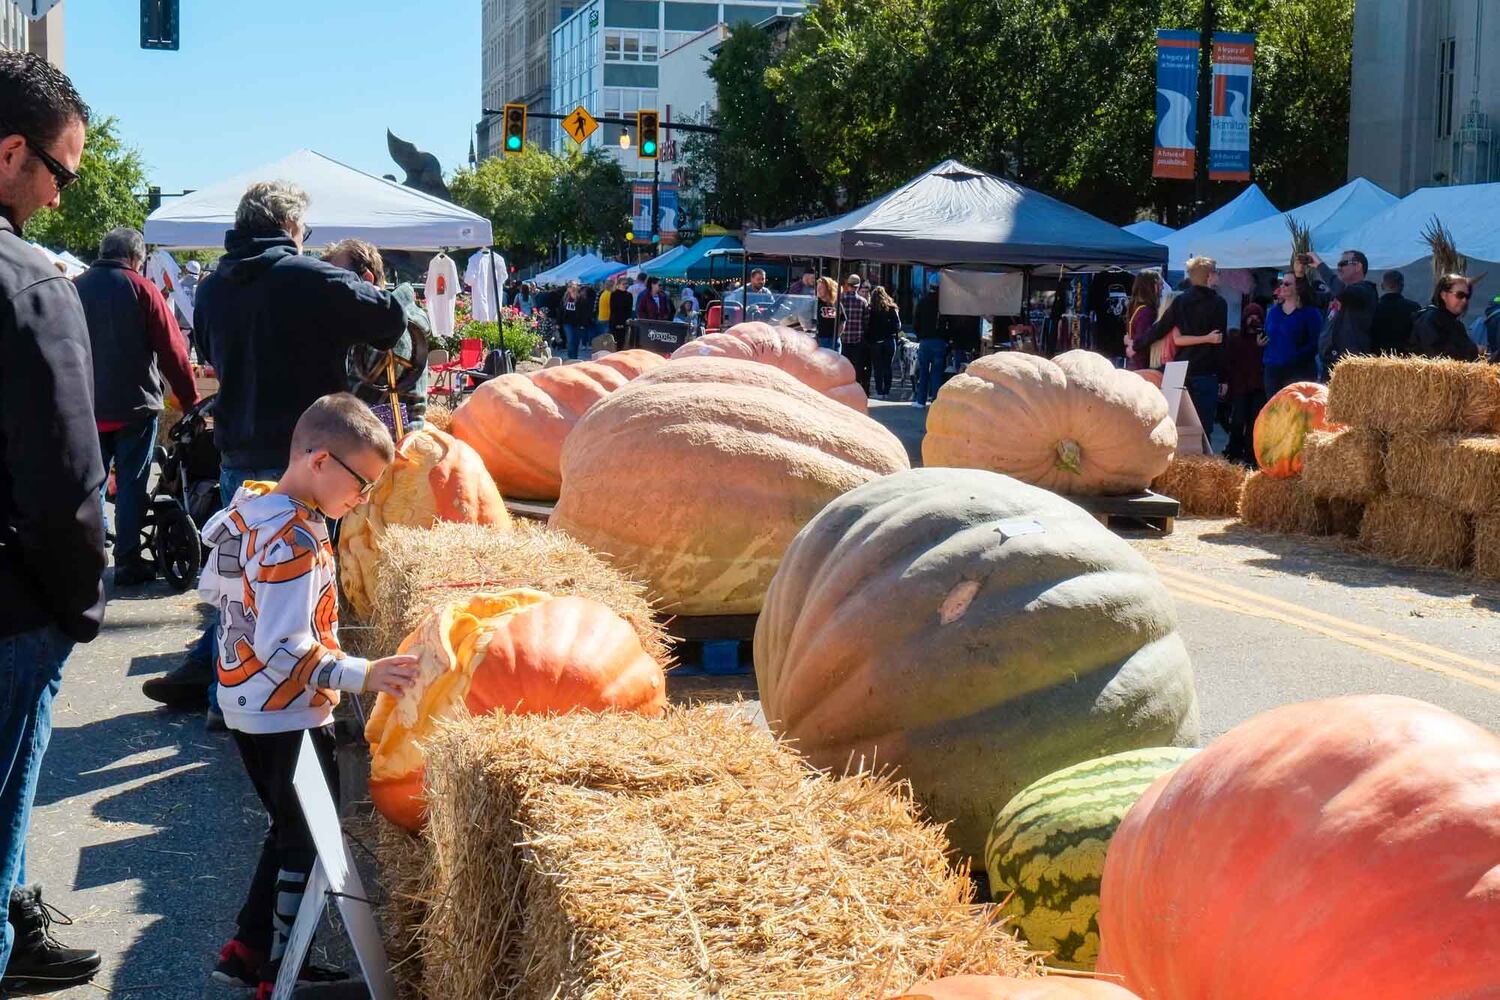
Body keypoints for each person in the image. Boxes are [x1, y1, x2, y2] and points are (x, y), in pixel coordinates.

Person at [145, 181, 406, 723]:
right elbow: (390, 319)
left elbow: (211, 353)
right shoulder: (309, 277)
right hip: (312, 455)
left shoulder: (214, 287)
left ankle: (222, 682)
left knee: (245, 577)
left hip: (238, 443)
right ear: (291, 227)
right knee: (300, 580)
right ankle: (285, 698)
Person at [202, 394, 419, 995]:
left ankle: (246, 947)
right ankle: (281, 967)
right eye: (362, 484)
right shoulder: (296, 540)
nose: (365, 500)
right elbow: (286, 651)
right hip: (285, 712)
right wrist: (364, 673)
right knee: (305, 839)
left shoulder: (254, 507)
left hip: (242, 700)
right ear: (320, 461)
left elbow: (219, 588)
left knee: (285, 826)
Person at [0, 49, 106, 990]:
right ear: (9, 154)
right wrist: (82, 605)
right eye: (60, 173)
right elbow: (68, 480)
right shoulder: (30, 282)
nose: (63, 197)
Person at [74, 228, 200, 586]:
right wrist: (190, 402)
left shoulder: (75, 287)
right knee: (131, 483)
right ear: (134, 259)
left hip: (87, 406)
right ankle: (127, 560)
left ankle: (89, 556)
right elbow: (174, 351)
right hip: (135, 407)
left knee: (89, 484)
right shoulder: (142, 289)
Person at [1142, 256, 1227, 435]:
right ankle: (1202, 461)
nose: (1219, 276)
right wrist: (1224, 377)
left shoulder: (1181, 301)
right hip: (1205, 370)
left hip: (1180, 369)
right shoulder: (1219, 304)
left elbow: (1160, 328)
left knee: (1177, 427)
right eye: (1217, 272)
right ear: (1209, 276)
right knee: (1203, 430)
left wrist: (1137, 344)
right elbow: (1220, 342)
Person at [1312, 249, 1377, 371]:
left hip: (1350, 365)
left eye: (1342, 264)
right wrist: (1300, 277)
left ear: (1358, 266)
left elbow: (1343, 292)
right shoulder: (1335, 294)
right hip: (1329, 362)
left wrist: (1320, 266)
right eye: (1338, 265)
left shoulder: (1366, 290)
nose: (1339, 269)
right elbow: (1311, 299)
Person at [1262, 270, 1322, 397]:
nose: (1282, 287)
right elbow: (1268, 333)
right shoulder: (1273, 311)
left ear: (1298, 287)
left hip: (1298, 371)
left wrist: (1295, 356)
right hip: (1272, 370)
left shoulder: (1310, 313)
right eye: (1281, 283)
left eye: (1287, 284)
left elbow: (1316, 342)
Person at [1223, 303, 1266, 467]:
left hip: (1258, 386)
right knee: (1238, 420)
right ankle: (1234, 450)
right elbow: (1230, 362)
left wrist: (1261, 346)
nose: (1253, 321)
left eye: (1257, 318)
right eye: (1250, 317)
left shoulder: (1263, 339)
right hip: (1240, 386)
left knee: (1254, 422)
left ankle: (1250, 454)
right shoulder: (1235, 338)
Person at [1411, 274, 1480, 361]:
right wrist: (1475, 350)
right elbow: (1436, 353)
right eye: (1460, 295)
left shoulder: (1456, 324)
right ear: (1443, 295)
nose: (1464, 300)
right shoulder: (1430, 318)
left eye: (1467, 296)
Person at [912, 277, 951, 408]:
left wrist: (919, 336)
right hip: (939, 341)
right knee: (937, 373)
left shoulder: (922, 302)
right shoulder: (944, 304)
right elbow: (949, 324)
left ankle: (920, 401)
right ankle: (935, 400)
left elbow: (916, 322)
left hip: (925, 341)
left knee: (923, 372)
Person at [1370, 269, 1420, 355]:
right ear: (1402, 286)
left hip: (1378, 358)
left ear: (1382, 286)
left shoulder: (1373, 308)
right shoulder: (1414, 307)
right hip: (1406, 358)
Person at [838, 273, 872, 394]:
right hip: (857, 339)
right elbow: (866, 321)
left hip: (843, 337)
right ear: (857, 287)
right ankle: (854, 390)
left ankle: (843, 388)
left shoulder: (840, 299)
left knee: (842, 365)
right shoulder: (863, 302)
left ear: (848, 285)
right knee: (856, 367)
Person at [866, 286, 901, 400]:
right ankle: (887, 389)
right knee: (887, 366)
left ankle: (879, 391)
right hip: (889, 341)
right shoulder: (892, 308)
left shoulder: (871, 309)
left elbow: (867, 325)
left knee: (877, 367)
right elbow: (898, 325)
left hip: (875, 341)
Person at [1123, 271, 1161, 371]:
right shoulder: (1147, 312)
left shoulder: (1136, 308)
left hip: (1136, 363)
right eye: (1160, 284)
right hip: (1143, 365)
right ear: (1152, 286)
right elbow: (1142, 339)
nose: (1162, 288)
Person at [558, 280, 589, 359]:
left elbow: (584, 312)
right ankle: (571, 358)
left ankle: (574, 357)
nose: (571, 288)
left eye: (573, 286)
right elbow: (560, 311)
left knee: (576, 342)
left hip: (578, 323)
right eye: (569, 286)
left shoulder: (581, 298)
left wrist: (583, 324)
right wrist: (558, 323)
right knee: (570, 340)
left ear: (577, 287)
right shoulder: (565, 298)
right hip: (567, 323)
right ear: (568, 289)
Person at [813, 275, 844, 351]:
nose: (818, 290)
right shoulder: (815, 303)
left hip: (834, 340)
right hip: (820, 339)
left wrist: (837, 336)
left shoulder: (836, 303)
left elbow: (843, 320)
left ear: (828, 288)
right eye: (818, 287)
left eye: (821, 288)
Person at [608, 274, 634, 347]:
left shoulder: (629, 295)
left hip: (625, 321)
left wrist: (626, 321)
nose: (626, 285)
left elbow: (629, 309)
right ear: (618, 285)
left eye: (626, 284)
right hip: (615, 321)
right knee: (614, 342)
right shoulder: (614, 294)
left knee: (623, 342)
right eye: (623, 284)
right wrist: (617, 323)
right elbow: (613, 309)